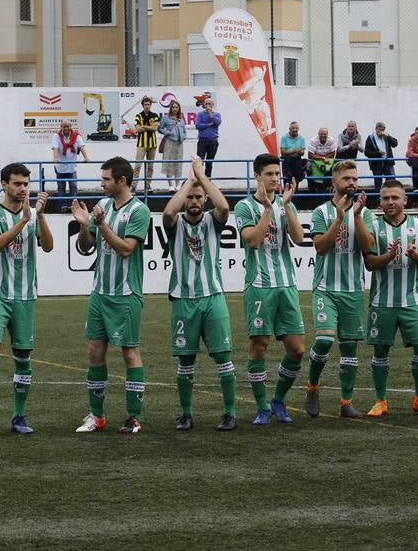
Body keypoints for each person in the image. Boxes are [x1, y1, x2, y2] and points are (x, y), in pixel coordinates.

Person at [0, 163, 53, 436]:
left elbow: (49, 246)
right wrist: (24, 220)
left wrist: (39, 217)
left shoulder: (32, 214)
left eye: (26, 184)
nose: (23, 189)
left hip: (25, 296)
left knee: (23, 356)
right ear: (4, 184)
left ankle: (19, 416)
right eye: (17, 184)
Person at [71, 157, 152, 434]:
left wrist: (102, 225)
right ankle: (97, 416)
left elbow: (127, 249)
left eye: (106, 179)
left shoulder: (140, 211)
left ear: (122, 181)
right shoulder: (102, 206)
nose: (101, 183)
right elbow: (87, 246)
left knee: (129, 353)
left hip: (126, 294)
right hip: (100, 293)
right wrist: (84, 225)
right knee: (95, 351)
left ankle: (133, 417)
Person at [162, 156, 237, 431]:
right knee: (185, 360)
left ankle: (230, 413)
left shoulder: (212, 222)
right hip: (184, 300)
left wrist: (201, 177)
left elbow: (225, 206)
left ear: (204, 200)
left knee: (223, 357)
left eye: (198, 197)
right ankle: (186, 413)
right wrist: (189, 181)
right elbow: (168, 213)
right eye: (190, 197)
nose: (194, 201)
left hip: (213, 298)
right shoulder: (175, 225)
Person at [234, 153, 307, 425]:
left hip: (286, 285)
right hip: (259, 287)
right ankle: (262, 406)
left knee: (297, 349)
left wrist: (286, 207)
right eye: (270, 174)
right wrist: (267, 209)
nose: (276, 179)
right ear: (257, 176)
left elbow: (299, 238)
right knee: (259, 346)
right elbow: (252, 241)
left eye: (278, 174)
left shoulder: (287, 204)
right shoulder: (244, 207)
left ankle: (278, 399)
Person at [363, 180, 418, 419]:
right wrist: (389, 255)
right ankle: (380, 401)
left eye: (395, 198)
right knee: (380, 350)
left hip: (412, 301)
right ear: (380, 201)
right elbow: (369, 263)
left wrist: (413, 254)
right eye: (386, 198)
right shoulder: (374, 228)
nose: (390, 202)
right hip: (382, 302)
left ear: (405, 200)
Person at [304, 161, 376, 418]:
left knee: (349, 348)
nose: (352, 183)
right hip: (326, 288)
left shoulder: (365, 213)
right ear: (334, 182)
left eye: (355, 179)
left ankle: (346, 403)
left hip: (353, 289)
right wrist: (340, 218)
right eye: (347, 178)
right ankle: (312, 386)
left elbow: (368, 247)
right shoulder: (320, 212)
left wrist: (356, 215)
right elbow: (321, 247)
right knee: (324, 340)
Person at [51, 120, 88, 198]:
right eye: (64, 127)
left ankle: (73, 205)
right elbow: (55, 148)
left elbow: (82, 147)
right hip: (60, 167)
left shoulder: (77, 136)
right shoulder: (56, 136)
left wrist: (86, 158)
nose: (66, 128)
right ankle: (63, 206)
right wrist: (55, 158)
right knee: (61, 187)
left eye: (68, 126)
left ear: (71, 127)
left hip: (72, 167)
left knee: (73, 186)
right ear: (61, 127)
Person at [157, 99, 188, 190]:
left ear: (179, 109)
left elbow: (184, 130)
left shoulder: (181, 120)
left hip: (179, 143)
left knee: (178, 163)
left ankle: (178, 184)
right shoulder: (165, 118)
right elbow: (160, 129)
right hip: (169, 142)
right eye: (173, 107)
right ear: (171, 108)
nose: (175, 109)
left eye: (177, 107)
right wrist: (167, 132)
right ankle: (170, 185)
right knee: (168, 163)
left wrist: (184, 136)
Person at [134, 96, 161, 194]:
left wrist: (144, 126)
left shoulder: (154, 115)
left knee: (150, 166)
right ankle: (134, 186)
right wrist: (150, 127)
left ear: (151, 105)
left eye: (149, 104)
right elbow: (137, 129)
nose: (147, 106)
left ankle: (148, 184)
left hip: (152, 144)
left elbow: (155, 128)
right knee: (137, 166)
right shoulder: (138, 115)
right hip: (141, 144)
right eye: (145, 105)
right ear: (142, 105)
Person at [364, 122, 400, 193]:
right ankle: (378, 201)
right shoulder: (371, 138)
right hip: (376, 163)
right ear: (376, 129)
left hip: (388, 162)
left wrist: (388, 136)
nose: (381, 131)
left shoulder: (386, 136)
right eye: (379, 129)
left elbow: (395, 144)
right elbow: (367, 152)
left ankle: (390, 196)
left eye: (382, 129)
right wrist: (378, 153)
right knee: (378, 182)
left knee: (391, 181)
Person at [195, 97, 221, 178]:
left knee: (209, 162)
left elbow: (217, 122)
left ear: (213, 105)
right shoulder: (200, 114)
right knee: (199, 162)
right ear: (203, 105)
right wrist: (208, 125)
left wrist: (211, 114)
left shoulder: (217, 114)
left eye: (209, 104)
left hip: (213, 141)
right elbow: (198, 126)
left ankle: (207, 181)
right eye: (206, 104)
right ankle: (198, 180)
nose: (207, 105)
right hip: (202, 141)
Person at [307, 127, 338, 195]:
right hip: (313, 166)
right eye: (321, 134)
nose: (323, 135)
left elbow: (333, 154)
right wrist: (323, 158)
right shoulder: (313, 141)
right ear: (318, 134)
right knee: (313, 187)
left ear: (327, 134)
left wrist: (319, 157)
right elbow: (310, 155)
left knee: (326, 185)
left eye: (325, 134)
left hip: (326, 165)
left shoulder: (331, 140)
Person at [280, 122, 308, 189]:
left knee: (296, 182)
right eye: (293, 128)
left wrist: (300, 152)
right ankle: (287, 198)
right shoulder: (284, 137)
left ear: (298, 129)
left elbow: (303, 153)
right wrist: (294, 150)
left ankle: (294, 198)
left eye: (296, 128)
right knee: (287, 181)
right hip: (287, 162)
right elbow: (282, 152)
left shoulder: (302, 138)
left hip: (297, 161)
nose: (295, 130)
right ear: (289, 129)